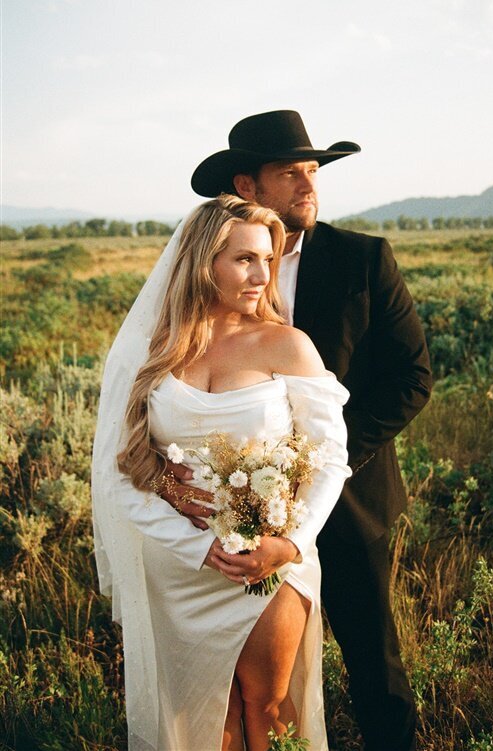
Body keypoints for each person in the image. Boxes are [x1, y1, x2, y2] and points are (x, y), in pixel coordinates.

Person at [163, 110, 432, 751]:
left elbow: (411, 380)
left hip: (352, 501)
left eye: (314, 171)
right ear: (247, 186)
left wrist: (312, 466)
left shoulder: (365, 259)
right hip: (234, 517)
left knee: (374, 658)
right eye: (291, 173)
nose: (309, 184)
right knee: (250, 686)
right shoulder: (207, 272)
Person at [91, 194, 352, 750]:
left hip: (269, 560)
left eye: (268, 258)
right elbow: (116, 473)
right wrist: (192, 546)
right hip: (177, 563)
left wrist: (291, 544)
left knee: (268, 702)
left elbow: (330, 458)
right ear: (201, 261)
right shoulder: (150, 351)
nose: (263, 274)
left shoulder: (288, 344)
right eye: (243, 259)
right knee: (200, 711)